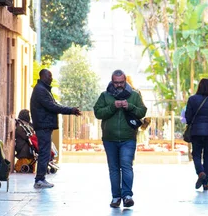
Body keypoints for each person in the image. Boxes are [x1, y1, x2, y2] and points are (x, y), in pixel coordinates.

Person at [94, 70, 147, 208]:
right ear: (112, 81)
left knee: (126, 166)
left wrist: (129, 106)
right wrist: (113, 106)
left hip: (128, 137)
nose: (118, 85)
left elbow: (142, 111)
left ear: (125, 81)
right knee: (114, 169)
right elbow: (98, 112)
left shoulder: (134, 96)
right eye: (116, 83)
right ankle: (116, 197)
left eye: (121, 82)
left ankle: (127, 195)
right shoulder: (105, 96)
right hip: (109, 138)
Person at [30, 69, 81, 189]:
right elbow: (52, 106)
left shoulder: (44, 89)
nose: (51, 78)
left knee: (46, 152)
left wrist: (70, 110)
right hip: (43, 125)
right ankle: (39, 179)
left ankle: (41, 178)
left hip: (45, 125)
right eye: (49, 76)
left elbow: (54, 104)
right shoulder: (40, 90)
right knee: (44, 152)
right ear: (43, 76)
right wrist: (70, 110)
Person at [185, 78, 208, 191]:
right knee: (207, 156)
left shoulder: (192, 99)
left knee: (196, 154)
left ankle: (200, 172)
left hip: (196, 131)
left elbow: (188, 117)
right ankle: (206, 183)